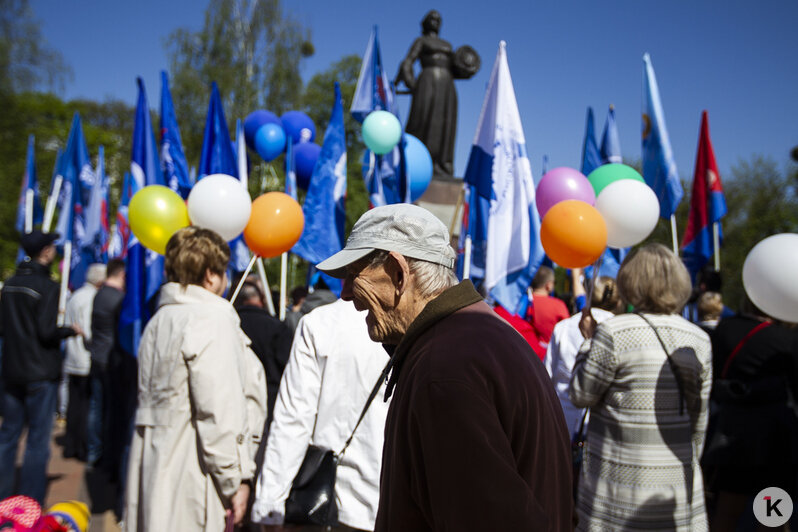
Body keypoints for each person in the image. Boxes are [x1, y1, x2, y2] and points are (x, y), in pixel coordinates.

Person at [316, 204, 574, 531]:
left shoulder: (444, 369)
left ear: (398, 273)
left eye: (354, 275)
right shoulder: (477, 337)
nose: (347, 294)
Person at [123, 227, 266, 531]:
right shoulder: (211, 318)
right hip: (193, 473)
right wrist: (235, 480)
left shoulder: (159, 319)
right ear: (212, 275)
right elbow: (219, 410)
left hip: (153, 465)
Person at [570, 243, 712, 531]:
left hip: (618, 489)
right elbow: (699, 419)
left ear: (630, 281)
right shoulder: (699, 338)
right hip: (676, 487)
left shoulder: (615, 332)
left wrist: (587, 341)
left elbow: (580, 394)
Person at [251, 298, 390, 531]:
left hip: (330, 507)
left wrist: (270, 504)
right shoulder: (420, 327)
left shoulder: (321, 324)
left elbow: (293, 421)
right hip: (385, 502)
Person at [702, 296, 798, 531]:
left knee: (727, 509)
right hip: (773, 437)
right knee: (772, 512)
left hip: (731, 431)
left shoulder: (724, 329)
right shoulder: (784, 339)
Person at [0, 230, 82, 503]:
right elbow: (46, 332)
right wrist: (69, 330)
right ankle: (30, 500)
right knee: (37, 440)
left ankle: (3, 497)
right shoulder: (46, 287)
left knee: (9, 435)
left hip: (12, 370)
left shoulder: (10, 285)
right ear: (45, 252)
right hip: (39, 373)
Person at [395, 10, 478, 179]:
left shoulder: (447, 44)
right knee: (423, 122)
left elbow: (458, 68)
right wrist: (413, 85)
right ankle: (418, 163)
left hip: (446, 86)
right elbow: (407, 62)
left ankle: (442, 166)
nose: (436, 21)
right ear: (425, 22)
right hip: (427, 82)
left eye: (438, 19)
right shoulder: (421, 41)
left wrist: (468, 66)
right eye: (432, 18)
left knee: (445, 126)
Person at [545, 276, 619, 436]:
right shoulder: (621, 331)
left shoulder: (563, 327)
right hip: (603, 426)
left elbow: (547, 376)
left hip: (564, 420)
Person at [63, 263, 107, 461]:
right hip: (85, 357)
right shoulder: (91, 298)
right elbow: (89, 330)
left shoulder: (76, 295)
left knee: (75, 404)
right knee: (86, 406)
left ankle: (71, 445)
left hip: (73, 356)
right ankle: (82, 447)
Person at [233, 281, 292, 428]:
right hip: (270, 405)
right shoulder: (276, 327)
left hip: (235, 401)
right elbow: (288, 367)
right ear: (262, 299)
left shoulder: (228, 324)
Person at [84, 258, 125, 470]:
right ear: (121, 274)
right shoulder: (116, 298)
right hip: (109, 360)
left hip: (97, 356)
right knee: (108, 410)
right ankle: (104, 455)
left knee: (97, 407)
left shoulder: (99, 295)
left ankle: (94, 452)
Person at [526, 266, 571, 360]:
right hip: (549, 358)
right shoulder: (558, 306)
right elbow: (567, 332)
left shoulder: (522, 303)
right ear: (549, 285)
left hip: (524, 353)